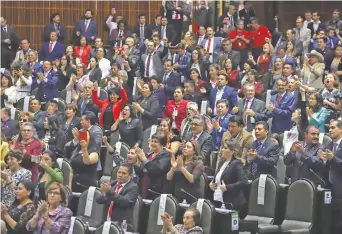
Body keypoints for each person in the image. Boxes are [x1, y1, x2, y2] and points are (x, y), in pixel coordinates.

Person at [210, 140, 247, 211]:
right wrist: (212, 183)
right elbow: (217, 179)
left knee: (228, 222)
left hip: (232, 203)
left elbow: (244, 181)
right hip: (218, 200)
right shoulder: (222, 162)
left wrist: (227, 187)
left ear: (232, 151)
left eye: (225, 148)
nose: (222, 150)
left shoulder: (237, 164)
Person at [136, 134, 171, 199]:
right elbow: (141, 171)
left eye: (156, 142)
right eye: (152, 141)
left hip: (156, 189)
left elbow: (158, 169)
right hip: (143, 184)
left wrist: (144, 160)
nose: (152, 143)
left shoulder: (166, 155)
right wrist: (135, 164)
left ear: (162, 144)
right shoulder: (148, 155)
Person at [66, 128, 98, 192]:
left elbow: (87, 162)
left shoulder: (94, 152)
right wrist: (69, 185)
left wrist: (84, 149)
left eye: (86, 135)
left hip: (87, 185)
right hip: (74, 184)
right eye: (81, 136)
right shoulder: (76, 151)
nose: (83, 138)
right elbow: (71, 171)